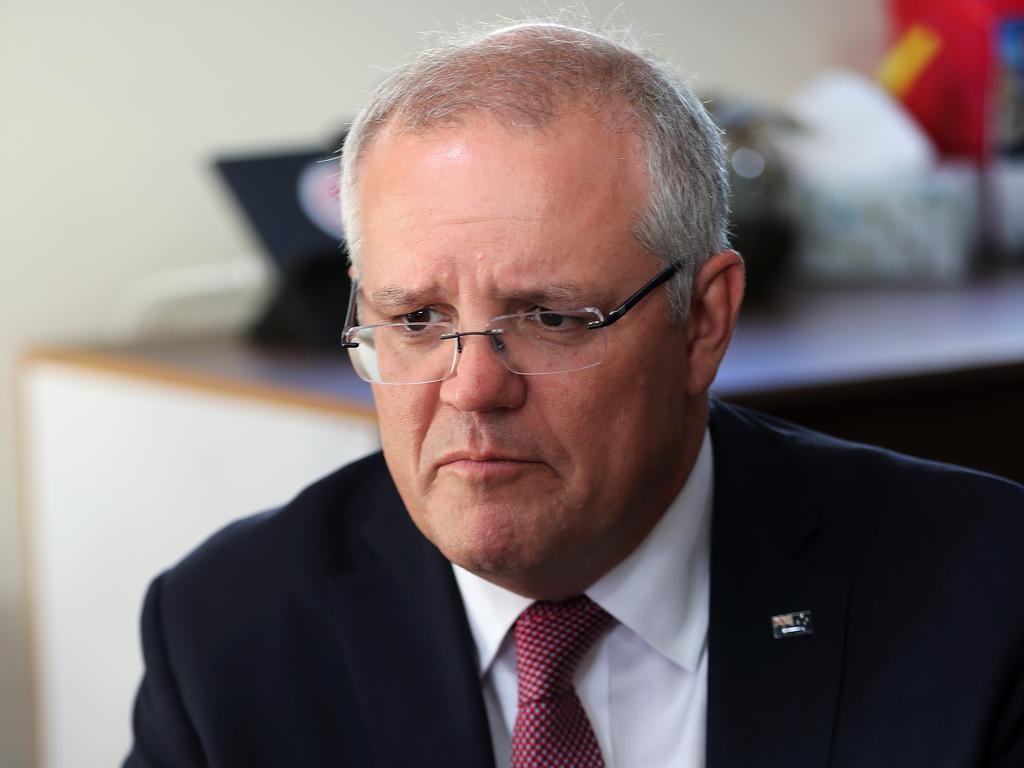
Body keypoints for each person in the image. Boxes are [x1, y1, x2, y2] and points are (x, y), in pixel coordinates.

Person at [125, 20, 1024, 768]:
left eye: (551, 318)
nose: (472, 387)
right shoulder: (226, 634)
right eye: (416, 319)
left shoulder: (985, 596)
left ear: (704, 320)